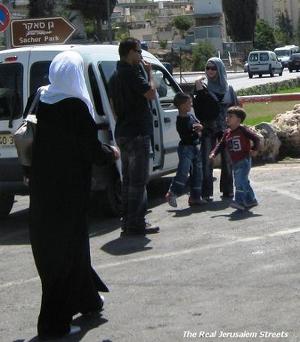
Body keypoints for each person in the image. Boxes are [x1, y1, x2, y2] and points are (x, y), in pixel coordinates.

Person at [28, 50, 120, 340]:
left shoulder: (43, 99)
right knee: (67, 250)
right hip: (70, 191)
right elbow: (89, 150)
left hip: (43, 189)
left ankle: (88, 300)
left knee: (67, 247)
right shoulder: (77, 106)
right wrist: (111, 153)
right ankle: (54, 323)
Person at [108, 38, 160, 237]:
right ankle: (136, 223)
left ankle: (128, 221)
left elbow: (113, 107)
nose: (140, 55)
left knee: (128, 180)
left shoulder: (114, 76)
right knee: (138, 181)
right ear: (129, 52)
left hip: (123, 132)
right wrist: (149, 73)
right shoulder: (130, 73)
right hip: (137, 132)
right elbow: (151, 93)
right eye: (138, 51)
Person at [193, 57, 239, 201]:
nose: (210, 71)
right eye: (207, 68)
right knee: (207, 160)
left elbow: (236, 108)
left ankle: (227, 190)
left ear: (219, 69)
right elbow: (198, 106)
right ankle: (206, 192)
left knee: (227, 160)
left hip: (226, 129)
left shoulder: (228, 88)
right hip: (208, 128)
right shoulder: (203, 87)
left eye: (213, 68)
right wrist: (198, 83)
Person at [209, 106, 260, 210]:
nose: (227, 118)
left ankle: (239, 202)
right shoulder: (227, 133)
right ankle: (251, 200)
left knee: (239, 182)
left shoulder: (243, 130)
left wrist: (255, 149)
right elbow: (221, 144)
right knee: (244, 181)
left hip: (244, 160)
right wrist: (213, 153)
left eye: (230, 116)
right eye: (227, 116)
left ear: (238, 120)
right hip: (235, 162)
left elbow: (256, 138)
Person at [165, 92, 205, 207]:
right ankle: (172, 192)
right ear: (182, 105)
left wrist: (200, 128)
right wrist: (197, 133)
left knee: (197, 173)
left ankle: (195, 197)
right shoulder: (181, 121)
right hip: (186, 149)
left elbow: (198, 125)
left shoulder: (191, 116)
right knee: (183, 172)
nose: (191, 104)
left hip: (195, 147)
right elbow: (186, 136)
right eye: (189, 103)